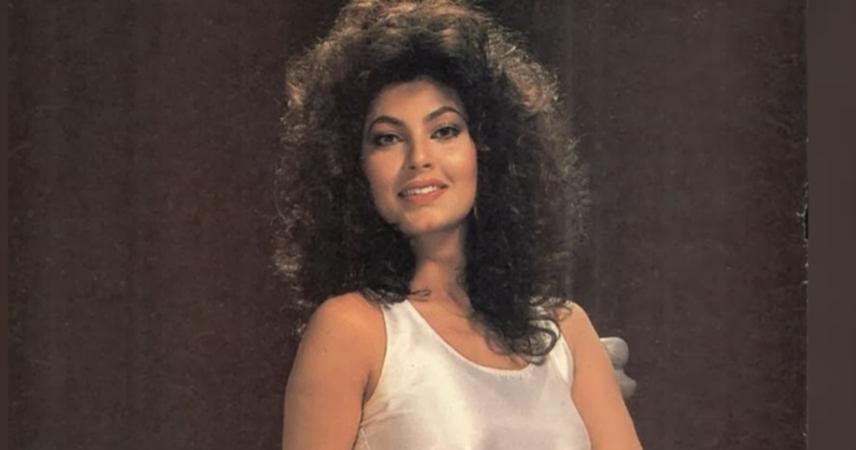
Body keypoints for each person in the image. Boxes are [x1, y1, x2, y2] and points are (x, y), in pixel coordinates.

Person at [274, 1, 641, 449]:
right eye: (388, 138)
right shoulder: (350, 330)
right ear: (353, 169)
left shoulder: (567, 332)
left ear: (487, 149)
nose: (419, 158)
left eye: (444, 131)